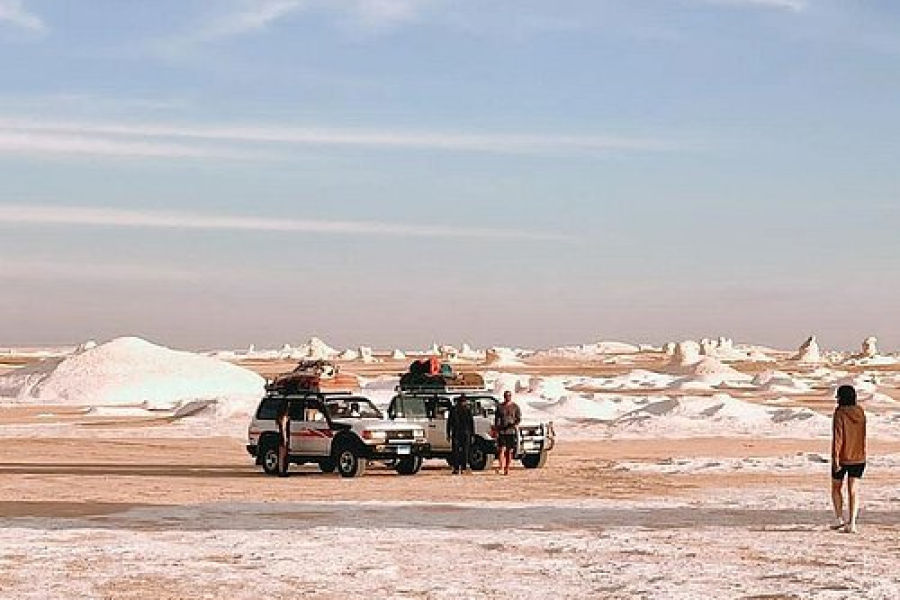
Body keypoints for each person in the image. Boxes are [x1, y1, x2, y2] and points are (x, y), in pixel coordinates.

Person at [830, 384, 867, 533]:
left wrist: (835, 458)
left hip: (843, 457)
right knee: (853, 490)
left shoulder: (839, 413)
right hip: (859, 456)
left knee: (836, 488)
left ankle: (839, 518)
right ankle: (852, 523)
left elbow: (838, 438)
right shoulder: (860, 412)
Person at [495, 390, 521, 475]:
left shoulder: (515, 407)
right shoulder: (500, 407)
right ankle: (501, 467)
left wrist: (514, 424)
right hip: (502, 431)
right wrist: (497, 429)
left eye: (509, 396)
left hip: (511, 432)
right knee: (501, 449)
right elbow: (496, 419)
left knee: (509, 451)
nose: (507, 397)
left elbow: (518, 418)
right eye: (506, 396)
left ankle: (507, 468)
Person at [447, 395, 475, 474]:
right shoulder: (455, 410)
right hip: (460, 433)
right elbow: (449, 423)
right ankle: (459, 468)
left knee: (462, 451)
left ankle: (462, 467)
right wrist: (448, 433)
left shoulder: (465, 410)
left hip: (462, 433)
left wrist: (472, 434)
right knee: (458, 451)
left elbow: (471, 423)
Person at [276, 397, 291, 477]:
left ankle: (282, 471)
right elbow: (283, 428)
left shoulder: (280, 417)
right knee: (282, 455)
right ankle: (281, 472)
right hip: (283, 437)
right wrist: (285, 439)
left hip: (282, 436)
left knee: (282, 455)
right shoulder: (283, 418)